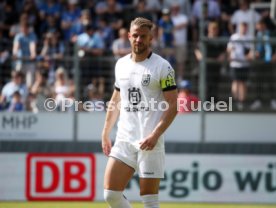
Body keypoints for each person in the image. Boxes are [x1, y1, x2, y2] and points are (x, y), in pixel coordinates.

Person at [101, 17, 178, 208]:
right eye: (135, 36)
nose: (138, 40)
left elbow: (173, 104)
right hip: (124, 139)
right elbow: (115, 101)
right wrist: (105, 133)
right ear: (128, 36)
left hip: (150, 141)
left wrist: (155, 135)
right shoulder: (121, 64)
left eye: (143, 36)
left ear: (150, 38)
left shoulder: (163, 67)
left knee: (149, 200)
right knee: (110, 195)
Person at [227, 22, 253, 110]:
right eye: (242, 27)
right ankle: (235, 100)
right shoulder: (234, 37)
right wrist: (230, 52)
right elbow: (229, 48)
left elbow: (251, 50)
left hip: (245, 64)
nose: (244, 29)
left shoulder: (249, 37)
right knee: (235, 82)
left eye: (245, 27)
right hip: (235, 64)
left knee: (243, 83)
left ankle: (242, 101)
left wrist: (249, 55)